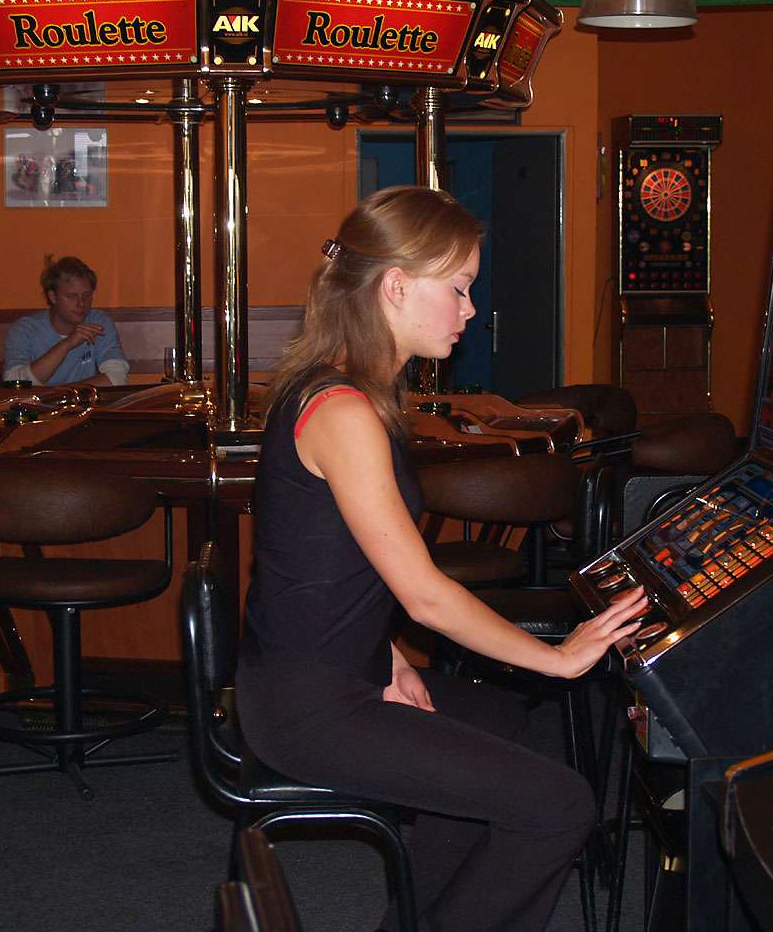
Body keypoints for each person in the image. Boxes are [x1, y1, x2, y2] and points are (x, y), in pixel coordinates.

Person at [236, 186, 649, 932]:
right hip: (309, 708)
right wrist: (558, 659)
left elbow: (320, 560)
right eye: (458, 288)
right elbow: (423, 594)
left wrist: (388, 653)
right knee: (560, 807)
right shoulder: (345, 411)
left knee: (499, 719)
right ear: (396, 286)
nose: (470, 309)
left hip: (327, 675)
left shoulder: (344, 389)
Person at [2, 255, 129, 387]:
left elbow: (118, 378)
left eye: (86, 295)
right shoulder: (25, 329)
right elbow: (15, 384)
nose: (81, 303)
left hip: (76, 400)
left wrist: (60, 394)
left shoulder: (98, 322)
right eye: (72, 296)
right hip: (43, 402)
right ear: (52, 297)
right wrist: (67, 344)